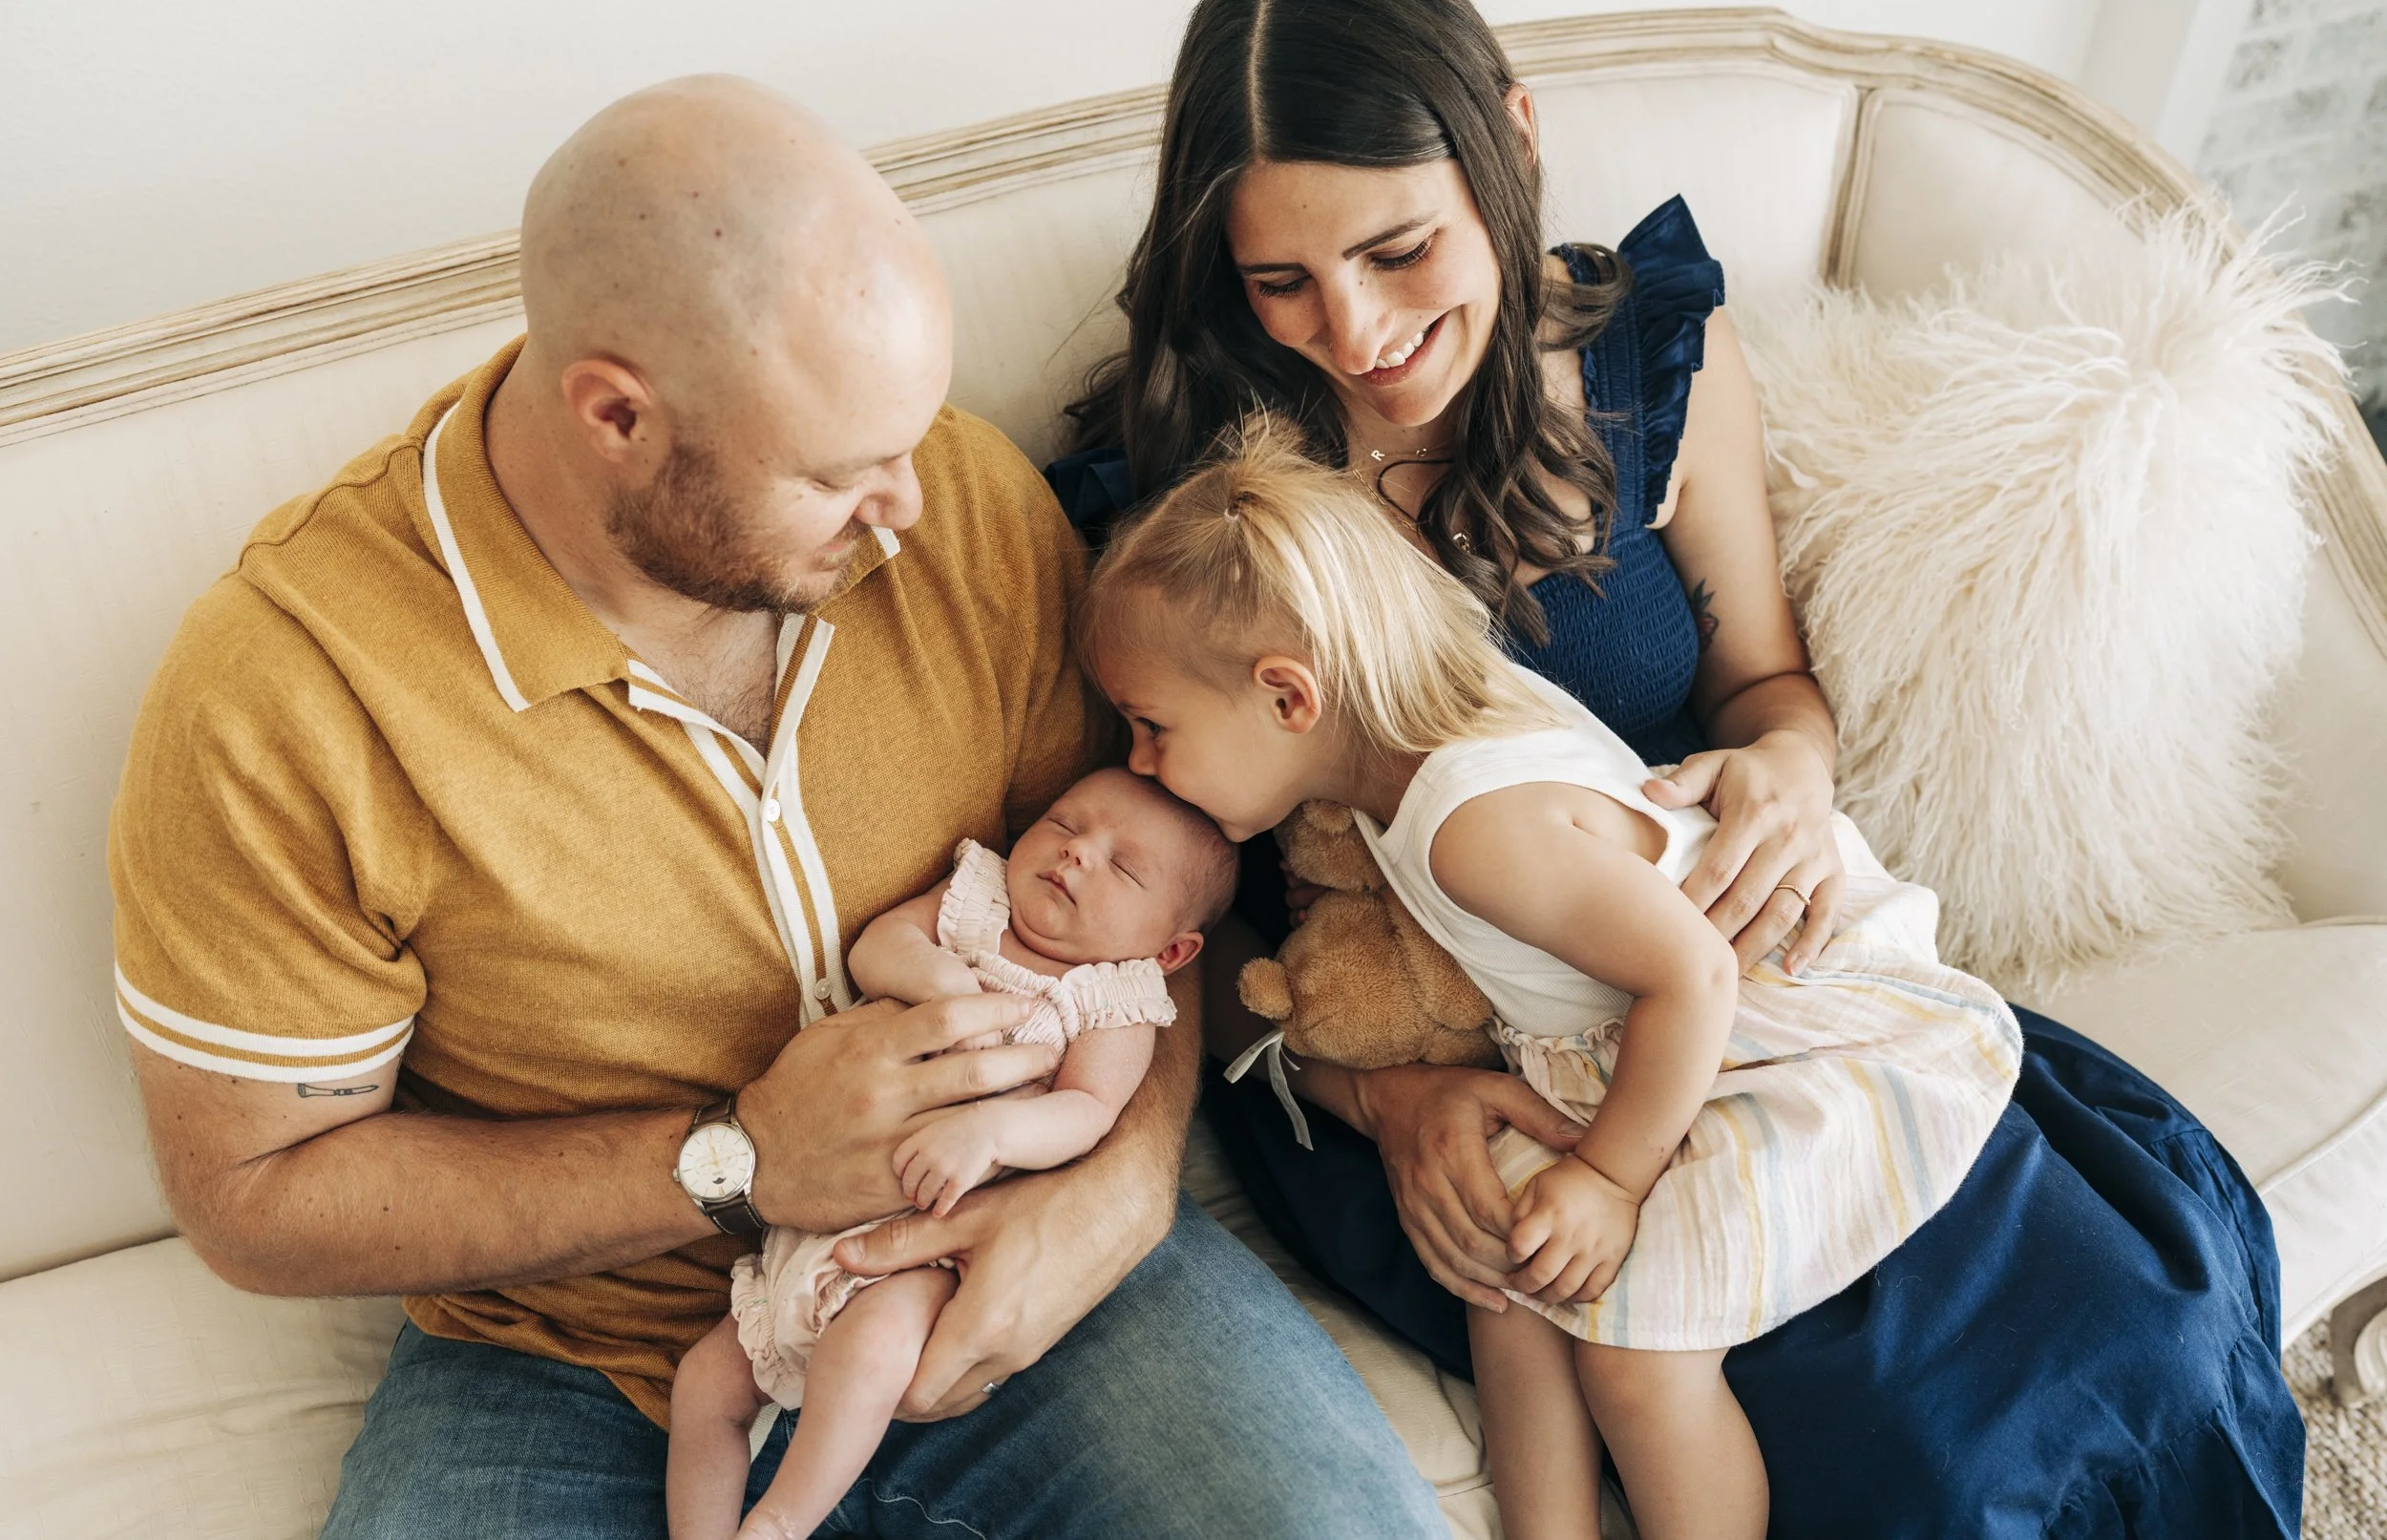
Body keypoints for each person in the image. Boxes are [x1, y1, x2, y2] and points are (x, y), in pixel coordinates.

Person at [1049, 0, 2305, 1533]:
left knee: (2141, 1330)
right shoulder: (1183, 510)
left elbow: (1764, 685)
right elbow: (1158, 908)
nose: (1354, 331)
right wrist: (1383, 1102)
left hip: (1730, 1002)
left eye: (1398, 248)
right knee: (1900, 1453)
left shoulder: (1654, 374)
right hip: (1447, 1077)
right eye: (1278, 281)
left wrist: (1790, 766)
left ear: (1508, 143)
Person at [109, 75, 1447, 1538]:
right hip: (574, 1354)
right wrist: (736, 1158)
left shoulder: (965, 509)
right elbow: (253, 1193)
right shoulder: (286, 692)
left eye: (910, 440)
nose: (911, 509)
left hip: (1003, 1239)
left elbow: (1144, 893)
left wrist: (1119, 1184)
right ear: (618, 415)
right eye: (839, 475)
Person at [1079, 421, 2021, 1540]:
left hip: (1776, 1021)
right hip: (1619, 1032)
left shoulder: (1474, 826)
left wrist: (1613, 1182)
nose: (1138, 765)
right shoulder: (1389, 755)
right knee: (1508, 1269)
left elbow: (1693, 974)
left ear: (1290, 697)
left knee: (1638, 1360)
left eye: (1152, 727)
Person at [667, 768, 1236, 1540]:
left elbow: (1089, 1110)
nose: (1076, 855)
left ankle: (778, 1522)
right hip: (808, 1220)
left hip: (925, 1250)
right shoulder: (978, 895)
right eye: (1066, 825)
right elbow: (879, 945)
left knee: (866, 1352)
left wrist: (992, 1133)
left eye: (1123, 866)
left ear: (1171, 948)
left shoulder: (1114, 998)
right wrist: (937, 977)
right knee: (705, 1382)